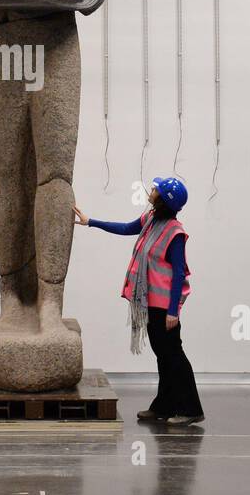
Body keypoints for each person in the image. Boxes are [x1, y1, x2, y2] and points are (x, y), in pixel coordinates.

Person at [74, 177, 205, 426]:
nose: (151, 191)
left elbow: (179, 273)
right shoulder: (150, 221)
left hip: (164, 306)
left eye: (156, 189)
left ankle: (190, 409)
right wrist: (90, 222)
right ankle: (164, 406)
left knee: (174, 356)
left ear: (165, 199)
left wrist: (173, 311)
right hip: (150, 304)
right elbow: (125, 228)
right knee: (163, 356)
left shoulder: (175, 233)